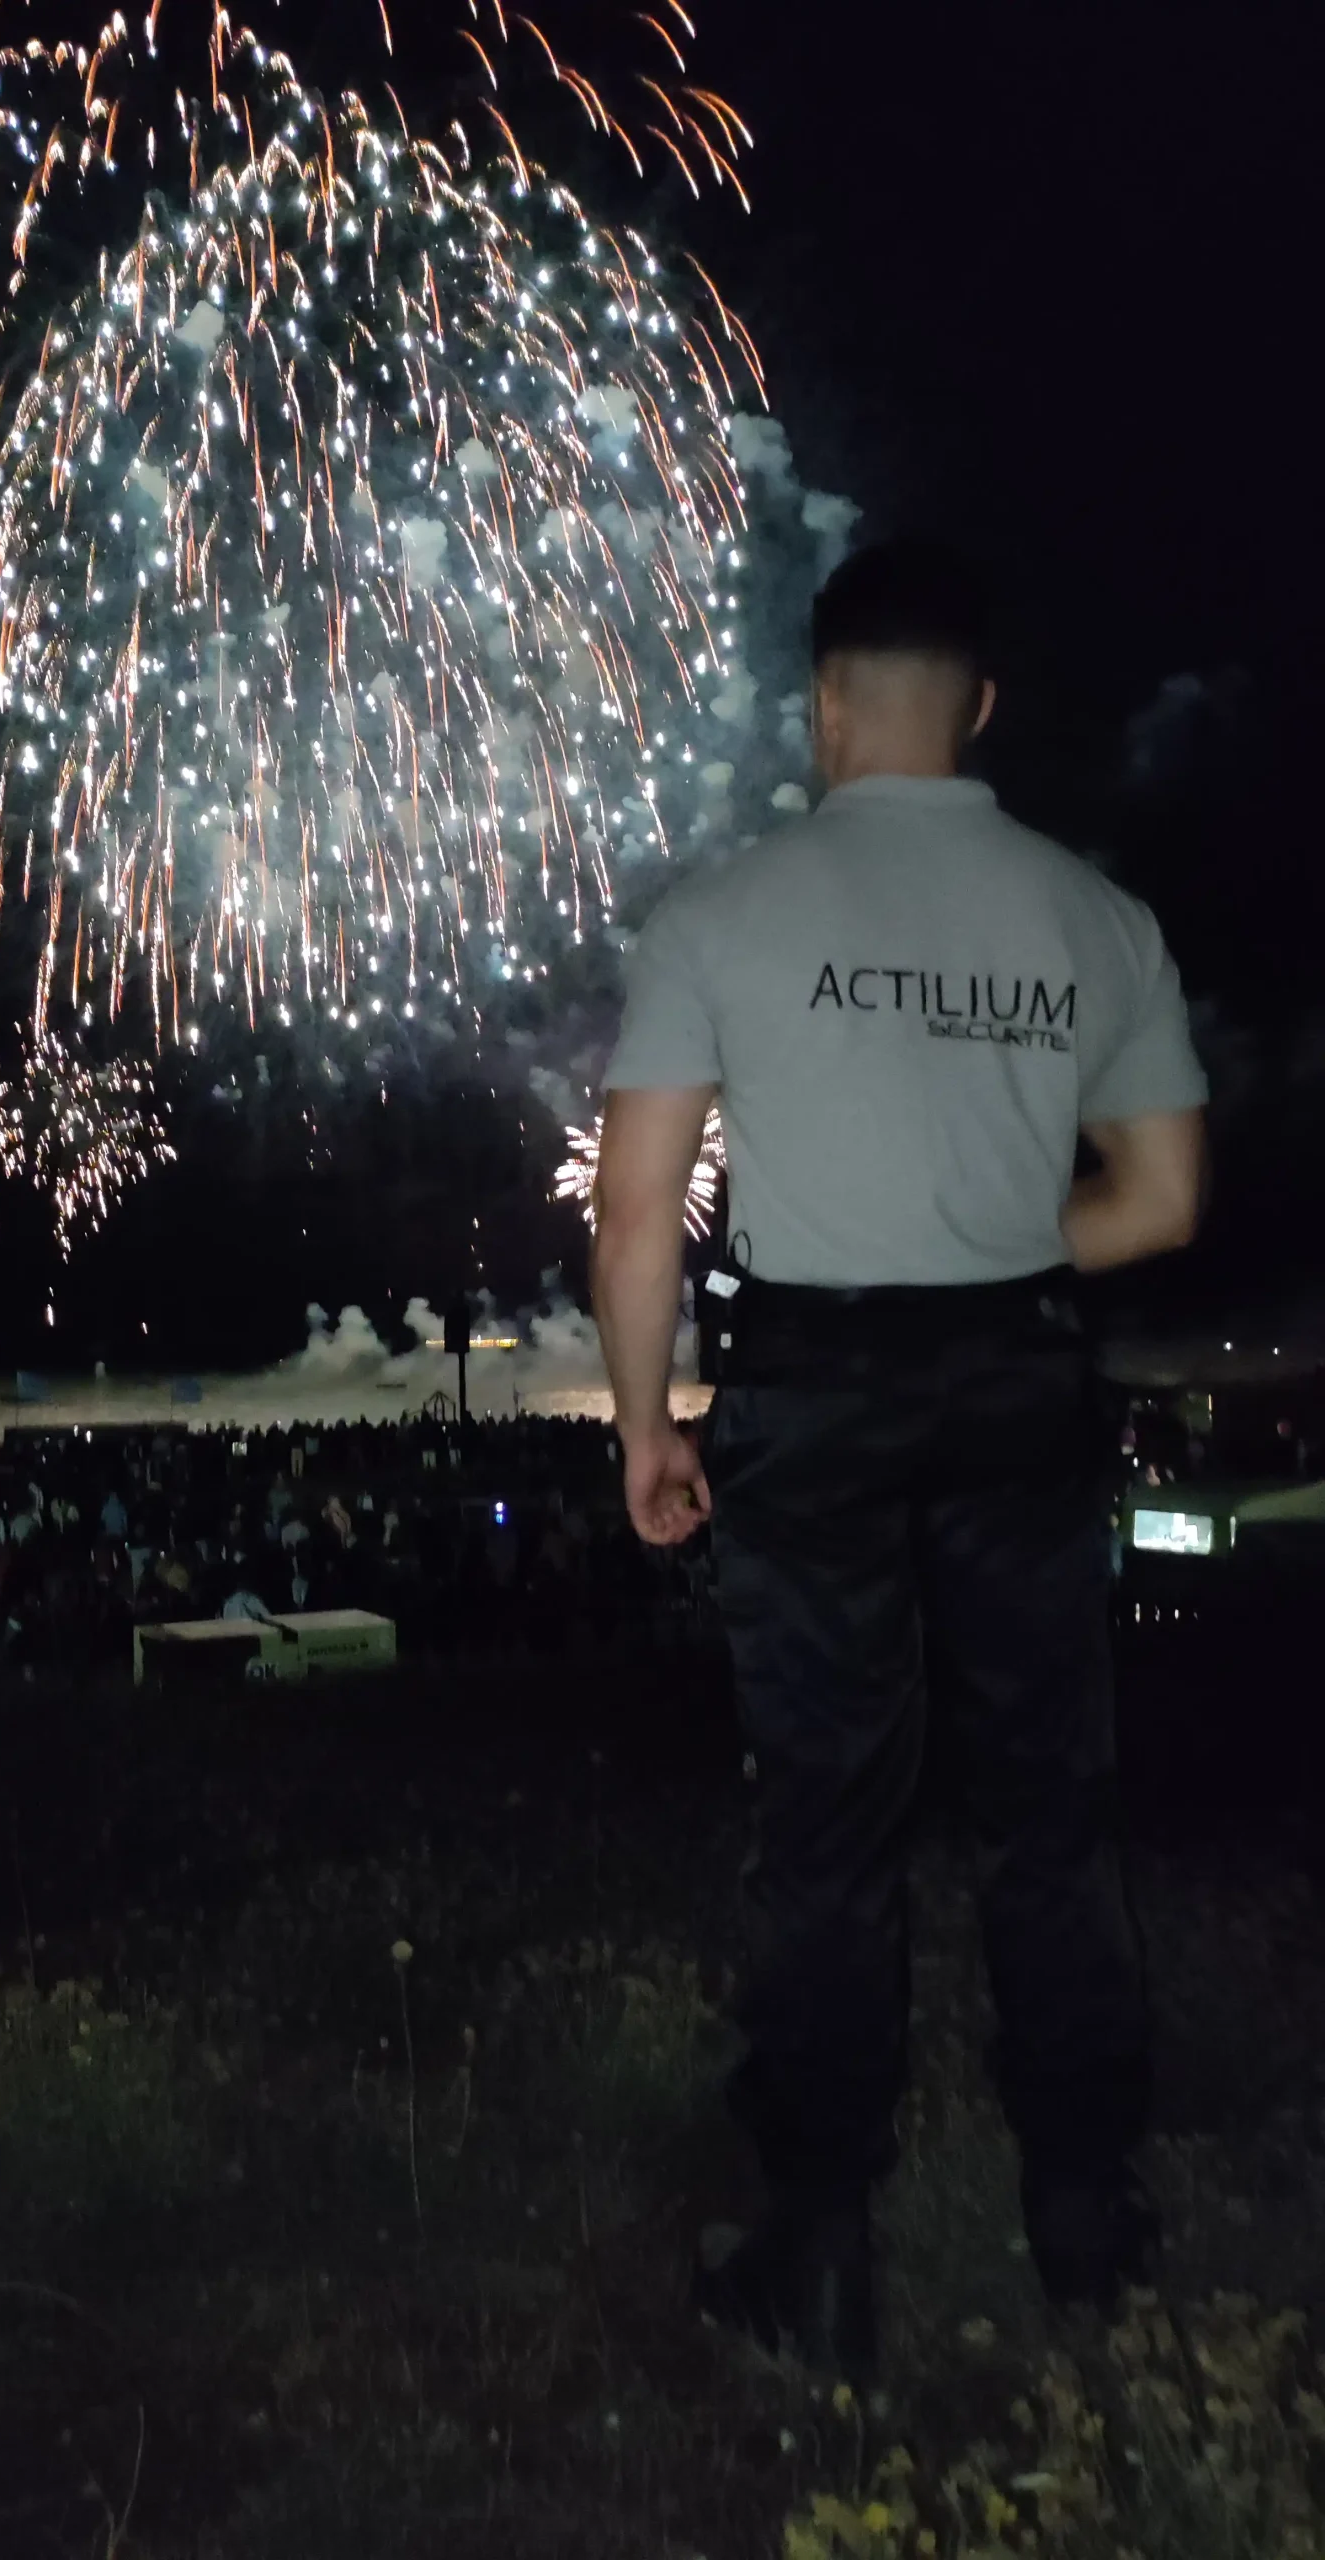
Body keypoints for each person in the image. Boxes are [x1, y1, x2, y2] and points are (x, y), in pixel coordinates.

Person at [591, 538, 1207, 2379]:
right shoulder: (1095, 918)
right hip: (1017, 1379)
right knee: (1050, 1819)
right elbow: (1163, 1202)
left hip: (818, 1393)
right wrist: (1004, 1240)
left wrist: (646, 1425)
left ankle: (822, 2248)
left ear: (828, 705)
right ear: (986, 709)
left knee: (828, 1836)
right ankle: (1087, 2226)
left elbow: (636, 1220)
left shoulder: (723, 912)